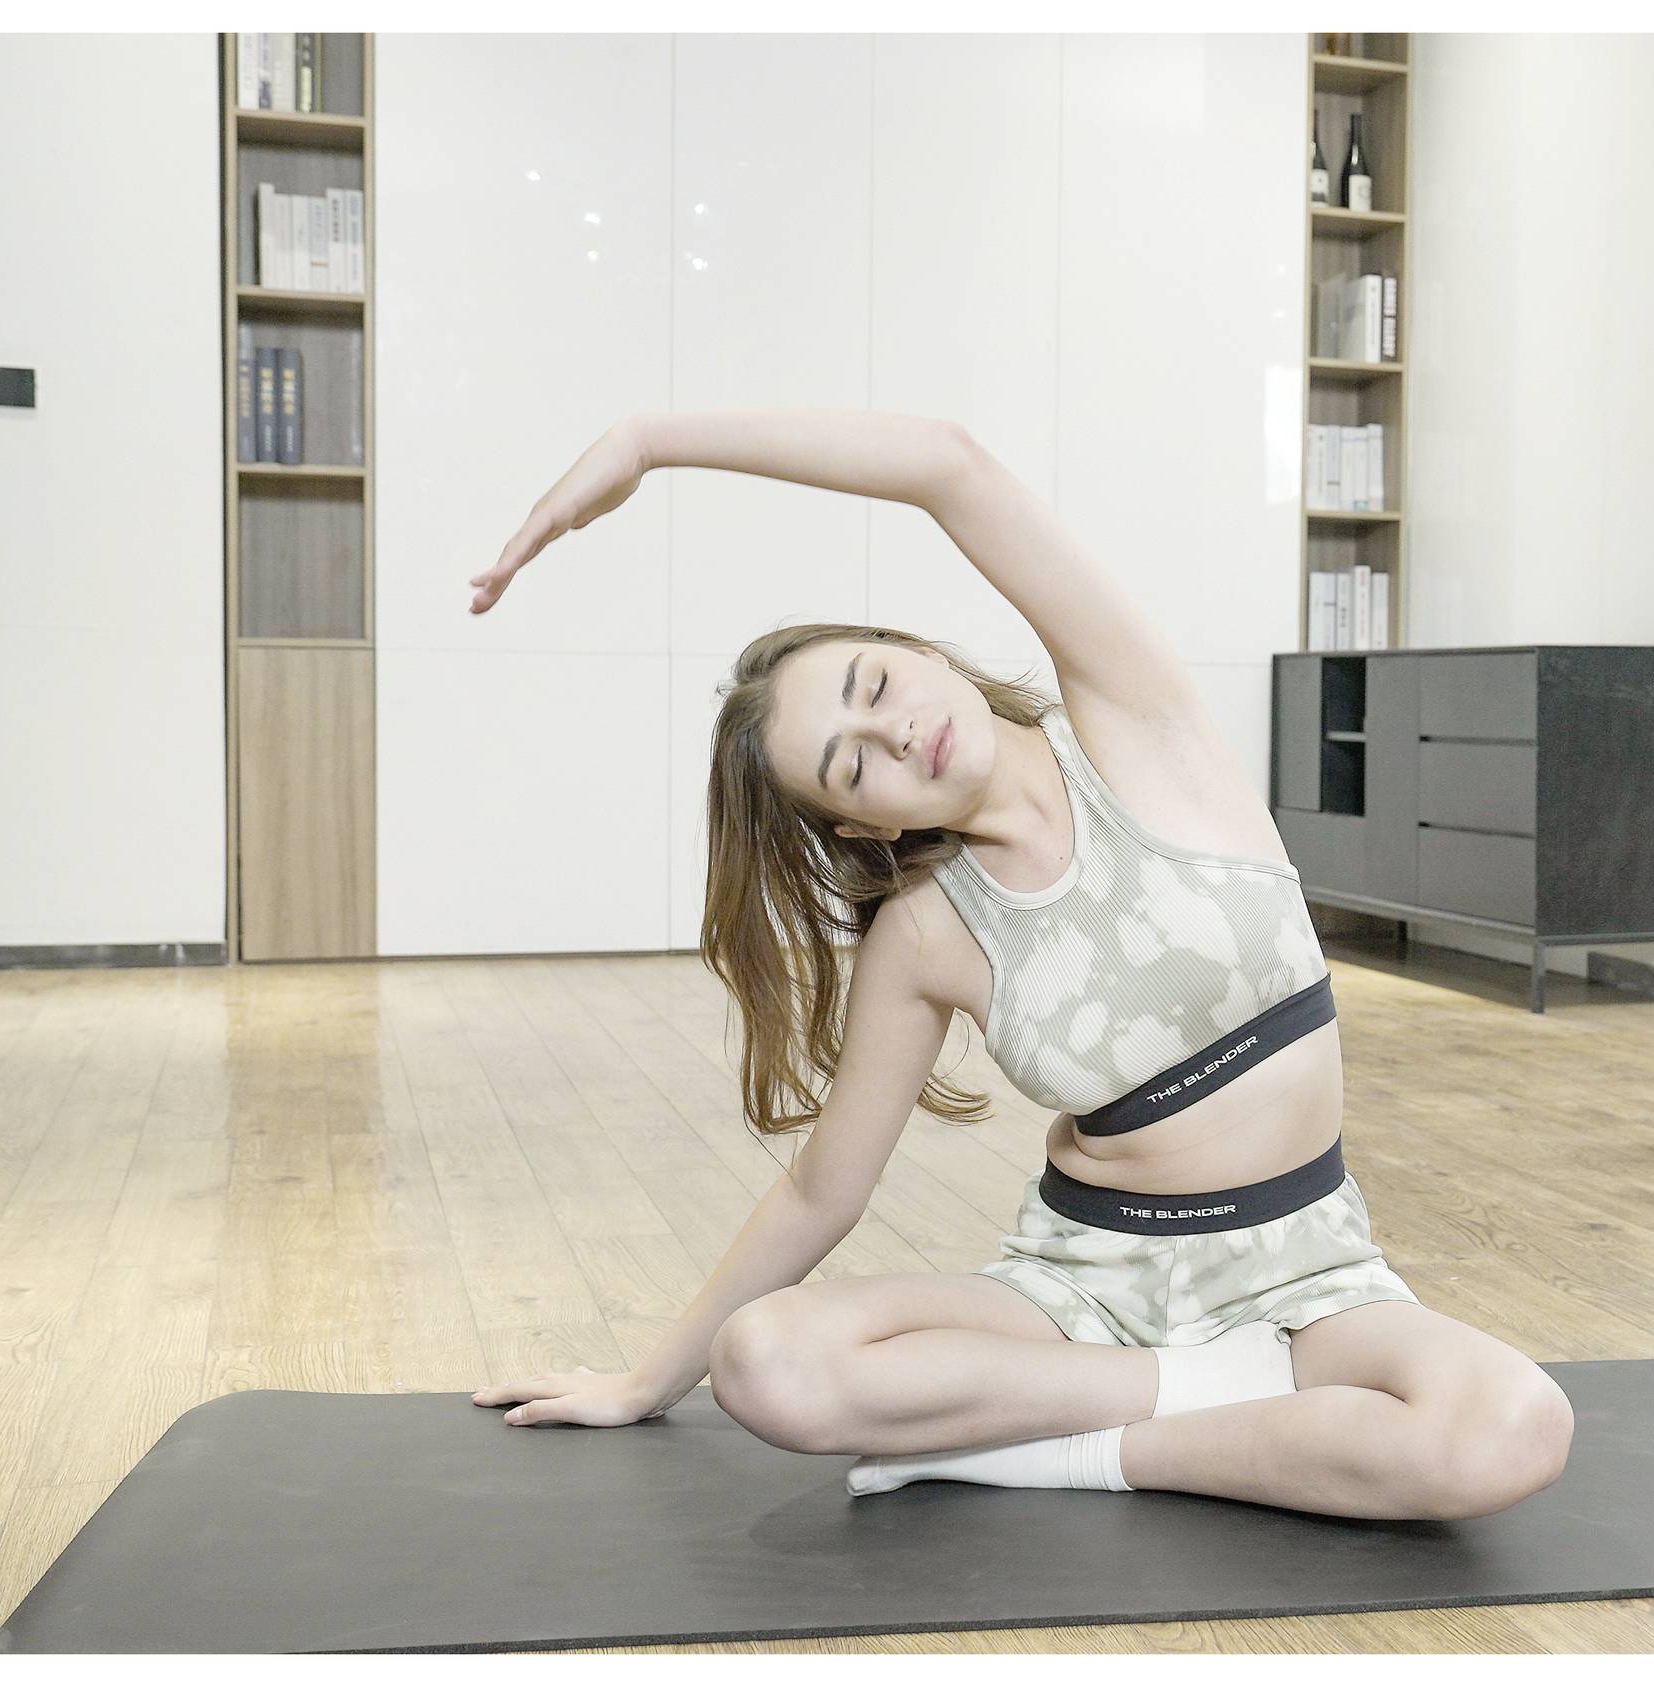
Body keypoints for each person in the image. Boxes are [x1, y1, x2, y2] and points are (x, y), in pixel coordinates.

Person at [465, 408, 1573, 1521]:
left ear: (921, 652)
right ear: (860, 827)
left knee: (1511, 1428)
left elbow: (949, 467)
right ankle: (1211, 1399)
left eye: (876, 685)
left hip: (1309, 1272)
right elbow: (823, 1189)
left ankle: (1059, 1451)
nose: (897, 734)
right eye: (852, 767)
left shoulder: (1136, 722)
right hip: (1085, 1292)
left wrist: (650, 442)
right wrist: (645, 1381)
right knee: (768, 1362)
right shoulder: (925, 933)